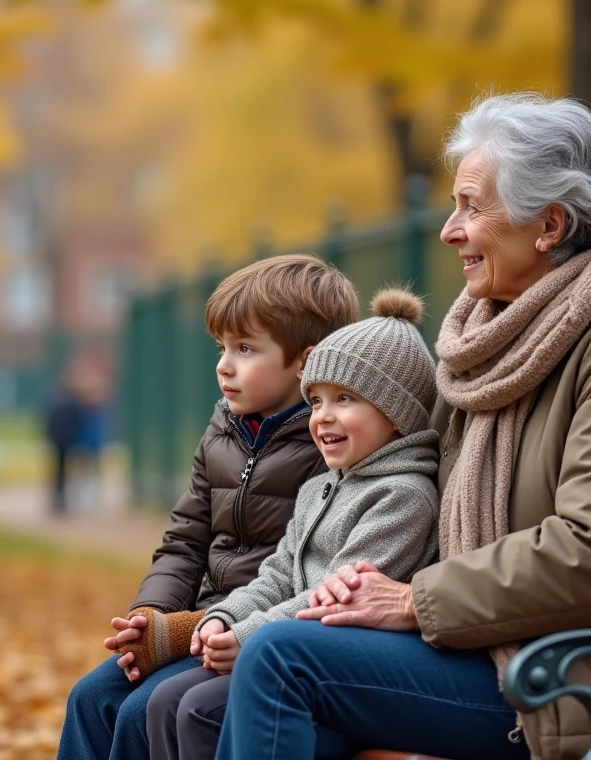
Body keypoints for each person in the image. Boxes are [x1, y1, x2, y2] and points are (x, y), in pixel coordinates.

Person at [214, 92, 591, 760]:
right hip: (494, 643)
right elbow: (410, 472)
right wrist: (355, 579)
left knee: (284, 659)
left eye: (471, 205)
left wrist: (414, 601)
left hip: (585, 675)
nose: (449, 229)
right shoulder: (496, 337)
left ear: (548, 225)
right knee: (176, 697)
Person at [56, 254, 359, 760]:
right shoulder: (223, 430)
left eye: (245, 348)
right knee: (90, 697)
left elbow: (300, 573)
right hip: (192, 621)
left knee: (139, 711)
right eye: (221, 347)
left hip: (242, 631)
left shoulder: (328, 445)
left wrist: (182, 632)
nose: (223, 365)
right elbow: (185, 539)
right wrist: (150, 615)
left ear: (305, 362)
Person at [146, 288, 442, 760]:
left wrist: (248, 635)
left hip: (340, 673)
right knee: (164, 701)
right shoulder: (320, 487)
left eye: (344, 399)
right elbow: (278, 575)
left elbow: (335, 599)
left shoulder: (403, 497)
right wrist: (226, 616)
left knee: (201, 708)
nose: (323, 416)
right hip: (287, 645)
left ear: (397, 414)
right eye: (317, 400)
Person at [45, 367, 83, 516]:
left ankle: (59, 498)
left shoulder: (55, 400)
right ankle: (60, 499)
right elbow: (78, 421)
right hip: (65, 441)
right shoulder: (71, 401)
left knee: (58, 471)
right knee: (63, 471)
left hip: (59, 441)